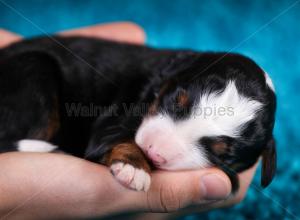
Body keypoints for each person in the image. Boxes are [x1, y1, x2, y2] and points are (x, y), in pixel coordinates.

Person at [0, 22, 257, 219]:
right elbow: (101, 140)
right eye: (174, 108)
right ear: (168, 81)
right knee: (32, 79)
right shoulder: (154, 83)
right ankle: (9, 144)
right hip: (30, 70)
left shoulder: (185, 82)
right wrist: (129, 156)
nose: (158, 149)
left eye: (213, 152)